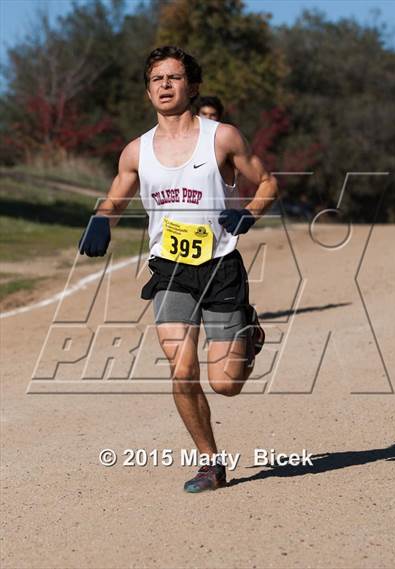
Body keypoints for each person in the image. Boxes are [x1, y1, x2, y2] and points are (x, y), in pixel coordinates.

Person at [78, 46, 279, 493]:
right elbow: (116, 196)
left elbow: (267, 181)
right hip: (170, 270)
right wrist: (100, 220)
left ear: (192, 85)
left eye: (174, 78)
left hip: (221, 265)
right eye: (157, 79)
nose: (165, 86)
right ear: (148, 90)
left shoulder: (221, 137)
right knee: (180, 368)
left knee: (225, 384)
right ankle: (210, 463)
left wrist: (248, 212)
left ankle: (248, 332)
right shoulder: (137, 150)